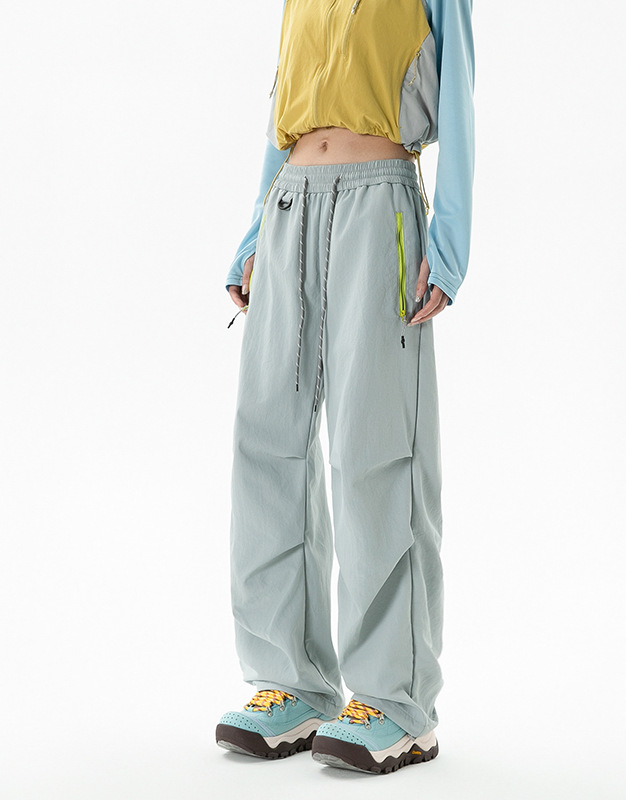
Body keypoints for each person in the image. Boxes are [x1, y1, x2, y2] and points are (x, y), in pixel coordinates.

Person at [217, 0, 475, 775]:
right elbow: (282, 117)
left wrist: (449, 245)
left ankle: (398, 703)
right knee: (269, 444)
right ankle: (292, 683)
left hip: (379, 206)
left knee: (375, 448)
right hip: (291, 205)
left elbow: (458, 102)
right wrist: (255, 234)